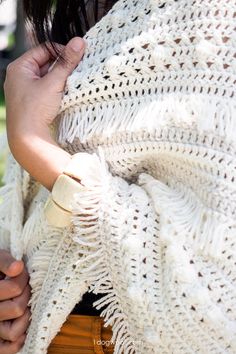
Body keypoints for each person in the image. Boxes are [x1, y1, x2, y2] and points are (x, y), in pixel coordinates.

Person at [1, 0, 236, 353]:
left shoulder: (213, 22)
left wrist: (33, 143)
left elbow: (217, 302)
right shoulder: (79, 14)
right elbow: (30, 225)